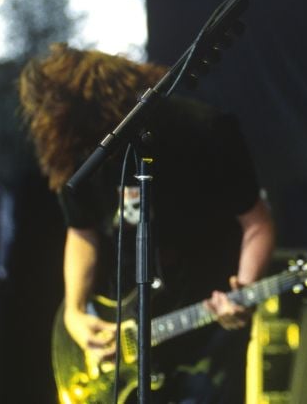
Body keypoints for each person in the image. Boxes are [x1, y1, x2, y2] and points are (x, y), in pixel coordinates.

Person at [18, 43, 275, 403]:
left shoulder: (204, 129)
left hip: (206, 332)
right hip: (126, 332)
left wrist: (244, 288)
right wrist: (75, 312)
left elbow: (257, 224)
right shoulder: (78, 154)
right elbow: (81, 232)